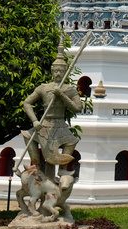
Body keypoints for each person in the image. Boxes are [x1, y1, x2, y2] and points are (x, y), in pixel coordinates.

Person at [21, 38, 82, 172]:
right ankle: (36, 167)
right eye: (56, 71)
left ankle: (62, 168)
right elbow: (27, 103)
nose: (58, 73)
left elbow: (78, 108)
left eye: (61, 71)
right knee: (27, 136)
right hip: (45, 122)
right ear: (52, 71)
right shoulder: (43, 88)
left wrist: (62, 95)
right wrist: (34, 120)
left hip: (59, 123)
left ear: (65, 71)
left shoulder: (69, 89)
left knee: (71, 141)